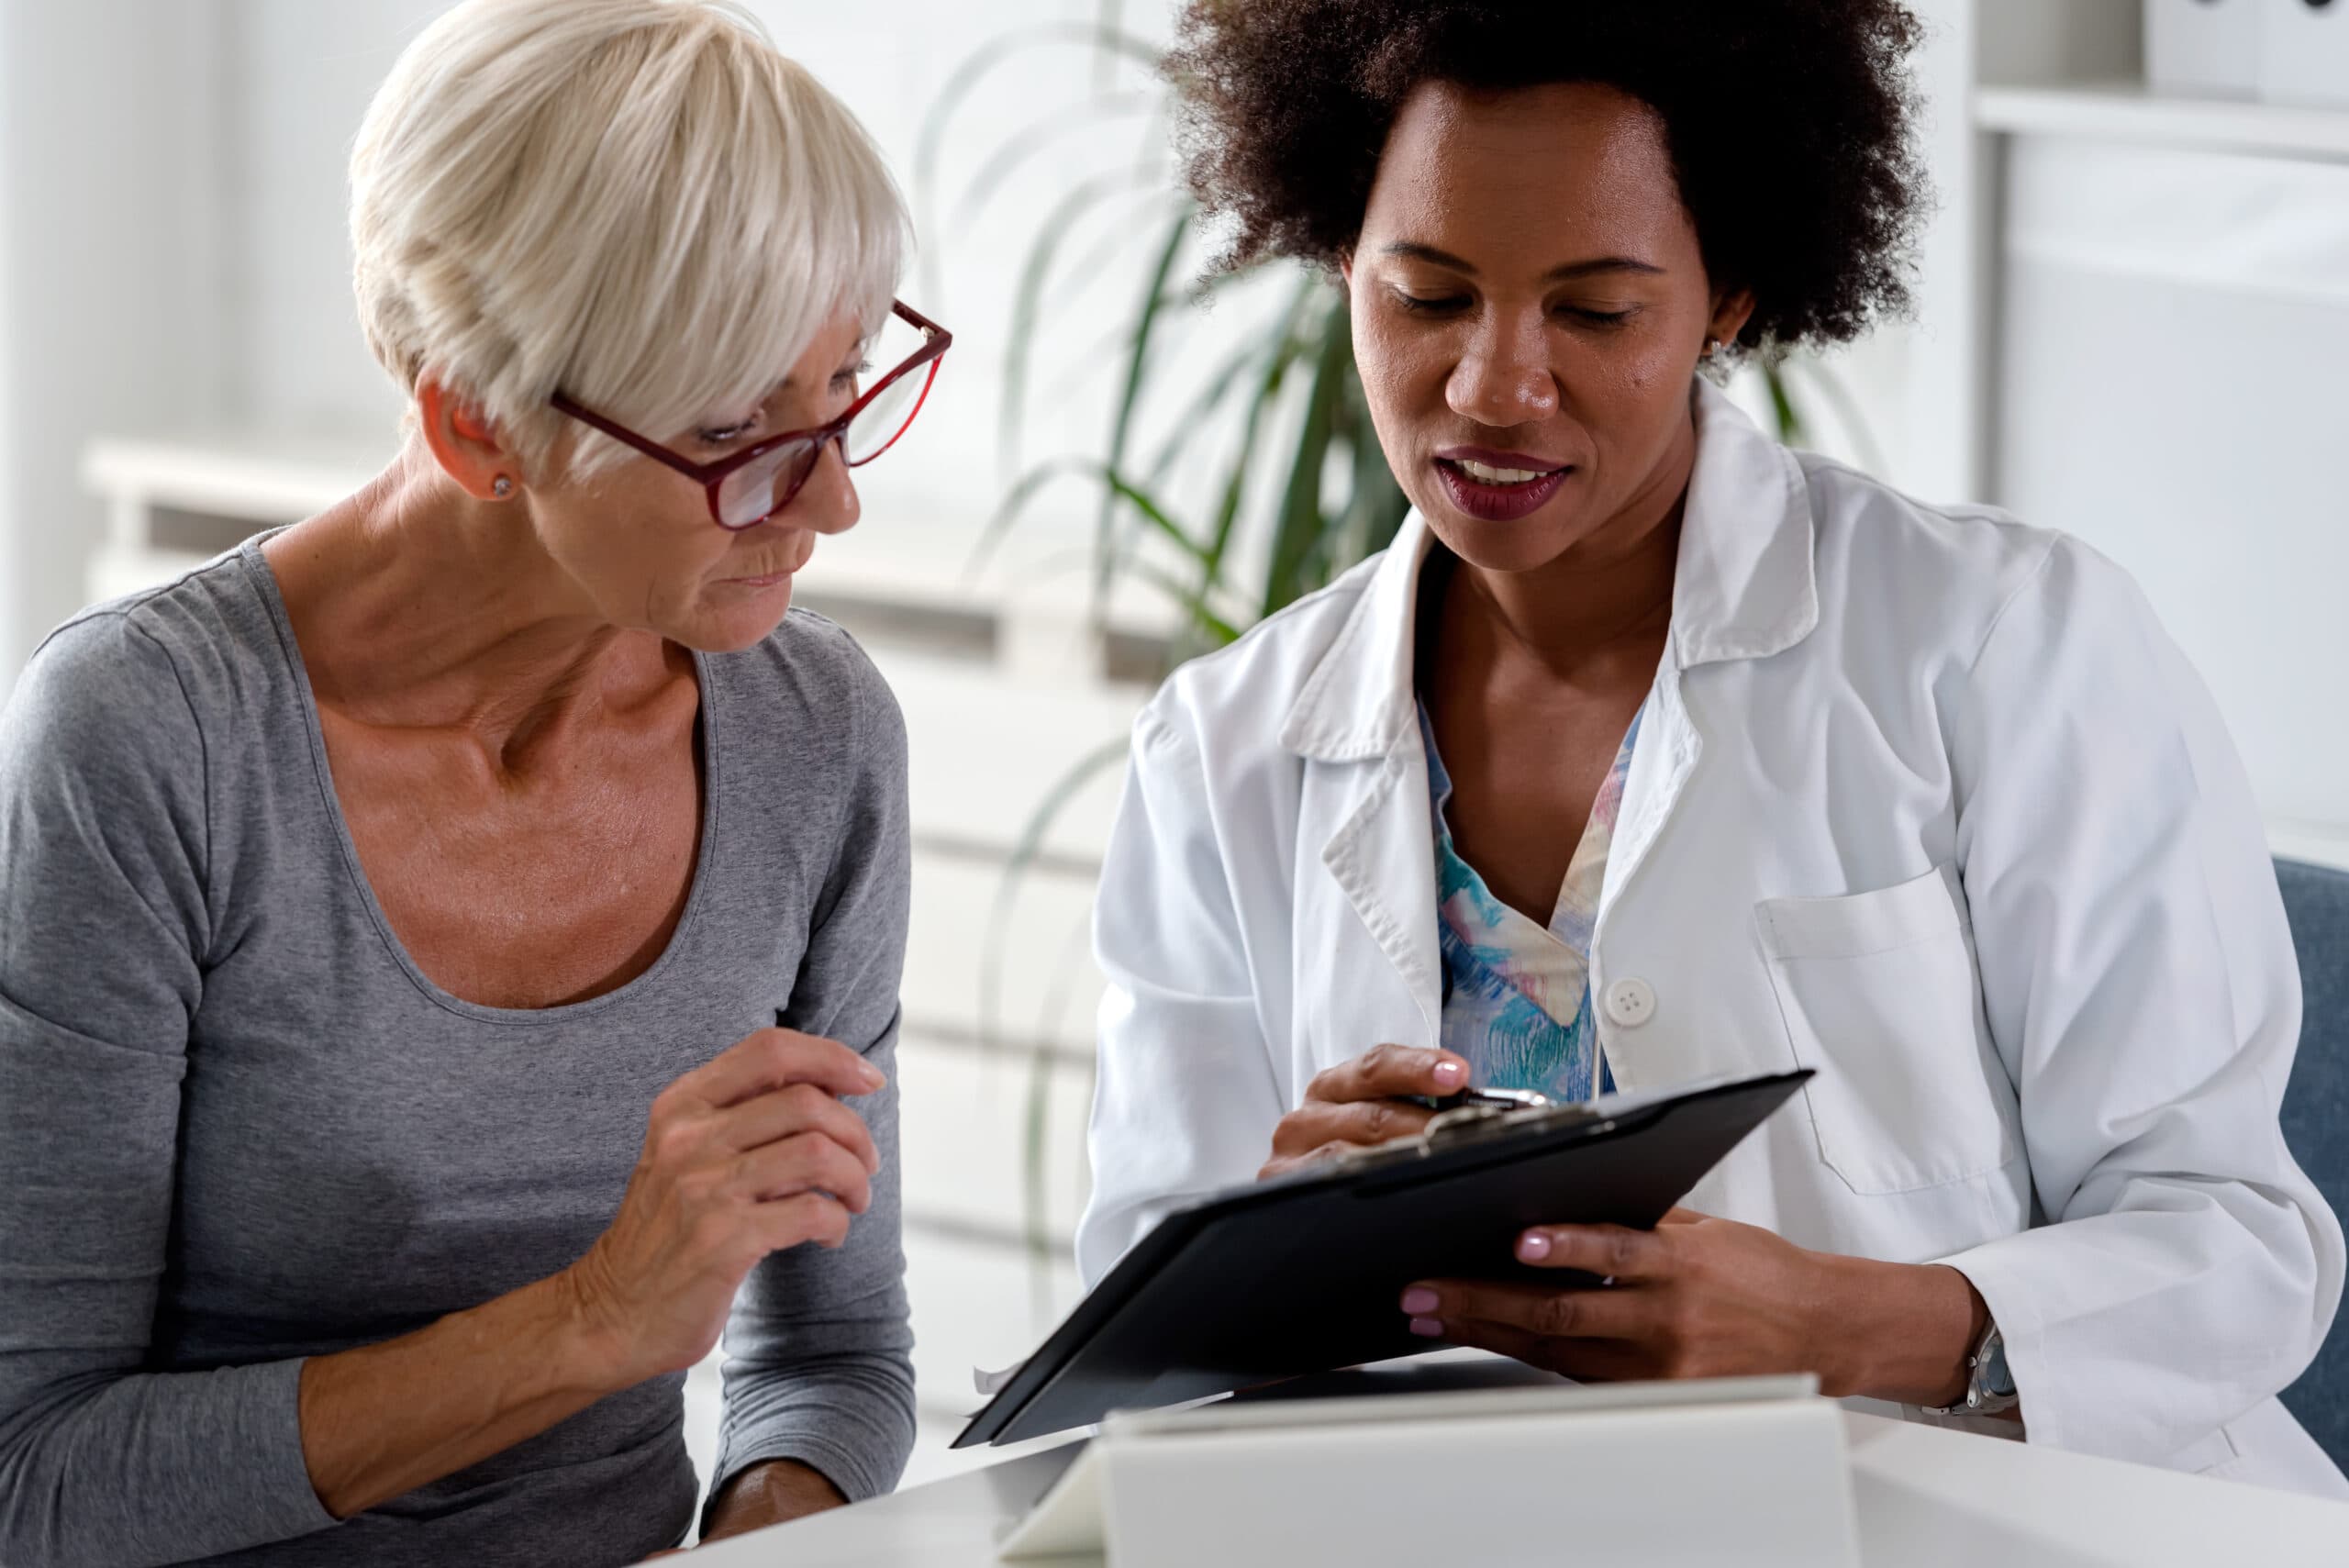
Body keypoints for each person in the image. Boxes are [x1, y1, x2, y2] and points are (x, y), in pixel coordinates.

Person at [1077, 0, 2344, 1494]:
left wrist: (1851, 1325)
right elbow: (1131, 1348)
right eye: (1426, 295)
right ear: (1341, 254)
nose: (1492, 384)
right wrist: (1270, 1244)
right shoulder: (1224, 746)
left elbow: (2236, 1247)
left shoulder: (2005, 644)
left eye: (1596, 312)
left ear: (1730, 292)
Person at [0, 2, 952, 1562]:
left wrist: (775, 1522)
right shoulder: (151, 738)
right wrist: (590, 1323)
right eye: (736, 431)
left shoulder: (817, 732)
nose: (832, 499)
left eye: (843, 386)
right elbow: (30, 1477)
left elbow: (829, 1356)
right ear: (476, 421)